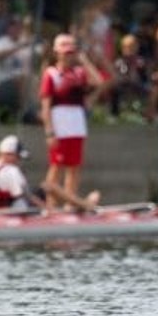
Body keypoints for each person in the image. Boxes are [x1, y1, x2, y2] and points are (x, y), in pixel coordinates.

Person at [39, 33, 105, 210]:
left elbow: (99, 82)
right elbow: (45, 107)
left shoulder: (79, 73)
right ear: (56, 52)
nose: (68, 56)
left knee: (74, 167)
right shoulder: (51, 74)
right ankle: (50, 205)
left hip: (76, 126)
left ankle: (70, 203)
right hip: (60, 126)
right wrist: (49, 132)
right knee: (56, 166)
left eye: (71, 52)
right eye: (65, 52)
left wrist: (84, 61)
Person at [0, 135, 99, 212]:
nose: (18, 161)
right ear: (7, 154)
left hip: (8, 204)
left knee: (44, 188)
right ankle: (85, 205)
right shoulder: (11, 170)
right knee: (49, 186)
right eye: (17, 157)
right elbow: (26, 196)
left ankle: (80, 205)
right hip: (15, 209)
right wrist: (48, 210)